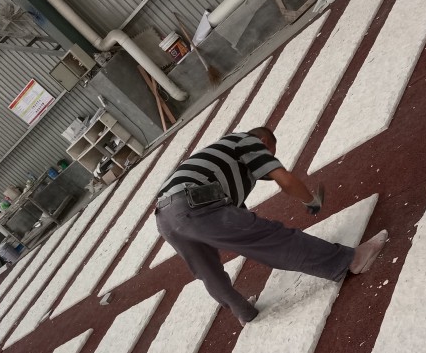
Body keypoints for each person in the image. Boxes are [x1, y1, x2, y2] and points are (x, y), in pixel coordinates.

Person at [155, 126, 388, 324]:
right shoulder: (247, 141)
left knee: (207, 270)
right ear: (265, 142)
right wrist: (311, 200)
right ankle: (350, 260)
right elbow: (284, 180)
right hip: (194, 202)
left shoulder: (225, 164)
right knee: (273, 238)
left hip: (164, 216)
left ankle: (243, 312)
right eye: (270, 153)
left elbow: (237, 216)